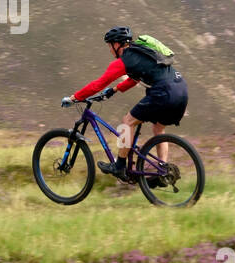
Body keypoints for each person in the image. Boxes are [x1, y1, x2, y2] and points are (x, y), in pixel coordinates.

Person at [62, 26, 188, 181]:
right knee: (158, 128)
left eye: (110, 46)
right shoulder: (141, 53)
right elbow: (135, 79)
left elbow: (97, 84)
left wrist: (74, 97)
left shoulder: (123, 61)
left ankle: (119, 166)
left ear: (117, 45)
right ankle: (163, 170)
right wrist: (114, 89)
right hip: (181, 89)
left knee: (128, 121)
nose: (109, 50)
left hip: (164, 91)